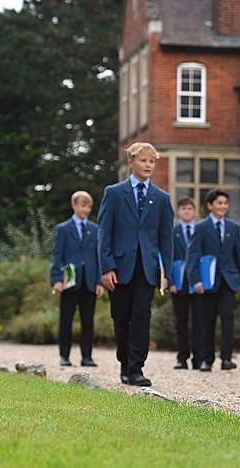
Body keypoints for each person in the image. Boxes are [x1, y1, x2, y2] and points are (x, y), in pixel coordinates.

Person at [97, 142, 174, 387]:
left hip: (147, 267)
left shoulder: (162, 198)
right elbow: (104, 233)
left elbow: (166, 239)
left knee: (142, 314)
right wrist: (106, 267)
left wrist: (167, 272)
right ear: (131, 162)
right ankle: (124, 363)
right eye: (143, 160)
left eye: (152, 161)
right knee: (121, 316)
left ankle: (136, 367)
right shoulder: (114, 193)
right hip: (119, 267)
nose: (148, 165)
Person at [187, 189, 240, 372]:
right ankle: (207, 359)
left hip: (228, 280)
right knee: (207, 320)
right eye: (219, 203)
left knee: (228, 318)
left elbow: (238, 255)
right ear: (210, 205)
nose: (223, 206)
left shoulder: (234, 228)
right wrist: (195, 281)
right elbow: (193, 255)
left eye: (225, 203)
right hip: (207, 282)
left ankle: (226, 358)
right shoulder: (201, 228)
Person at [49, 190, 103, 367]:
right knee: (66, 319)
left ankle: (87, 356)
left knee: (88, 321)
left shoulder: (95, 230)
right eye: (83, 205)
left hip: (89, 282)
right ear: (74, 205)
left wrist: (99, 281)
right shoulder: (63, 229)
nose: (86, 209)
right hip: (69, 282)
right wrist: (56, 279)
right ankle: (64, 355)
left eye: (89, 206)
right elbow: (57, 256)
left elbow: (98, 256)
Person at [170, 196, 200, 370]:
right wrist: (171, 281)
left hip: (197, 282)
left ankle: (198, 357)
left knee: (198, 320)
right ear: (179, 212)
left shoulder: (200, 230)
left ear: (194, 211)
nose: (187, 212)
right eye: (183, 209)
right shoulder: (173, 232)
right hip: (179, 281)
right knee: (180, 321)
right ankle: (182, 357)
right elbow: (169, 257)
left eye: (190, 209)